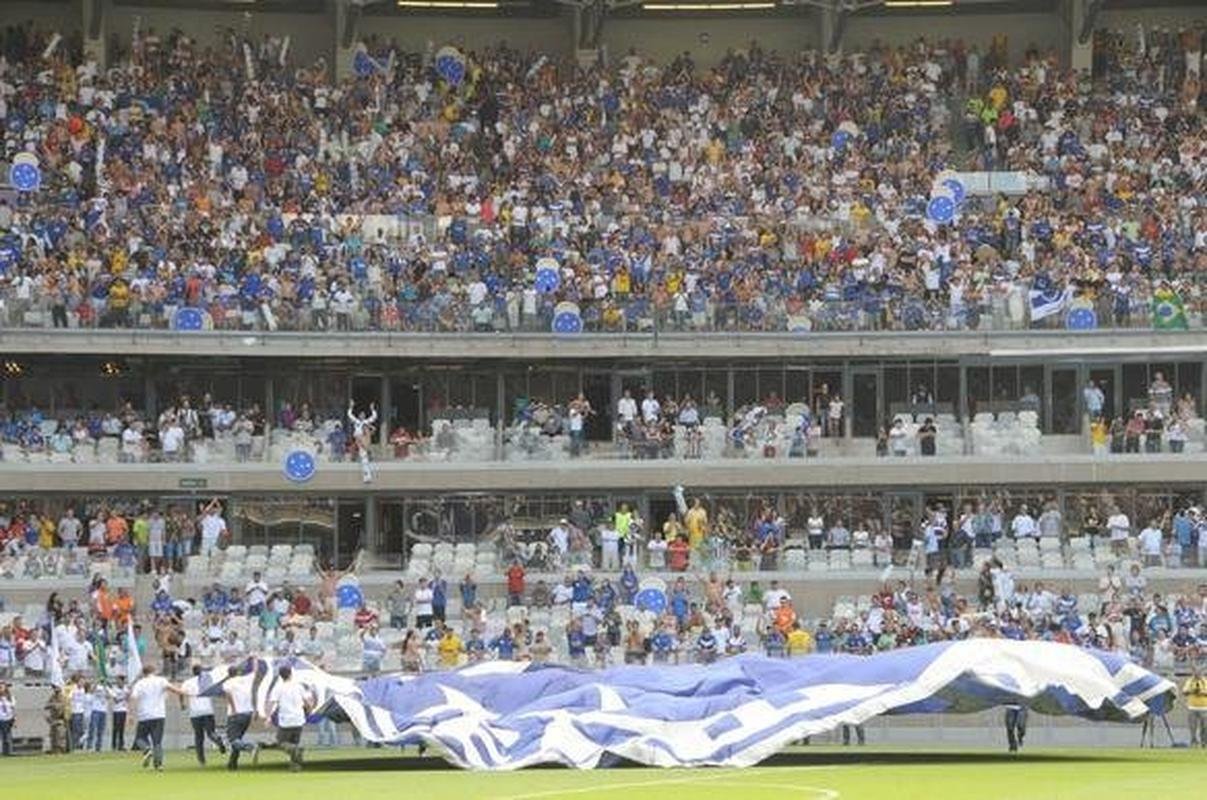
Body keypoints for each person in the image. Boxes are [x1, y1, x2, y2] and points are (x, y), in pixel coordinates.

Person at [129, 664, 183, 771]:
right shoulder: (161, 680)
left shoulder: (140, 683)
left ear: (143, 673)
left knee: (140, 737)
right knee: (157, 741)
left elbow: (133, 698)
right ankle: (159, 765)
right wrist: (186, 693)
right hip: (159, 715)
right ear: (153, 671)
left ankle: (146, 749)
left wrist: (130, 714)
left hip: (144, 715)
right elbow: (175, 690)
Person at [265, 664, 313, 772]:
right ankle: (295, 766)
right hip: (299, 719)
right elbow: (307, 702)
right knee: (294, 742)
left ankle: (295, 752)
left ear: (280, 676)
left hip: (286, 720)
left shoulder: (278, 688)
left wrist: (268, 717)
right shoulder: (298, 686)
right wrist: (309, 711)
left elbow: (272, 703)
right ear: (291, 673)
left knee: (281, 743)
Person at [185, 665, 226, 765]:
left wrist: (182, 704)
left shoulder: (188, 682)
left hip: (195, 713)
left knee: (199, 736)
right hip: (208, 711)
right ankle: (218, 740)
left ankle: (201, 760)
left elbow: (181, 693)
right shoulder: (208, 681)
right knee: (211, 732)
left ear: (192, 672)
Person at [224, 661, 258, 771]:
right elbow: (255, 671)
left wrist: (233, 708)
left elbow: (228, 695)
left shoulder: (227, 683)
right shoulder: (246, 680)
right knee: (238, 739)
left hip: (235, 714)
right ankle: (232, 764)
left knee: (233, 740)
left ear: (229, 674)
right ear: (238, 672)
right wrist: (255, 659)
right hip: (247, 714)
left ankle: (250, 747)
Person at [1185, 662, 1207, 748]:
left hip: (1204, 708)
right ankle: (1194, 742)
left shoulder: (1205, 681)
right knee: (1193, 727)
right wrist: (1192, 691)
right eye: (1195, 672)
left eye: (1199, 672)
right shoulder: (1190, 681)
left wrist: (1202, 692)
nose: (1197, 673)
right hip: (1192, 707)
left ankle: (1204, 742)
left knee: (1205, 727)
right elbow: (1185, 692)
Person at [0, 682, 13, 756]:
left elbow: (12, 708)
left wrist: (14, 717)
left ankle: (7, 752)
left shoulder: (10, 697)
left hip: (8, 718)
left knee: (7, 736)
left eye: (2, 687)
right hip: (0, 718)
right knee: (4, 735)